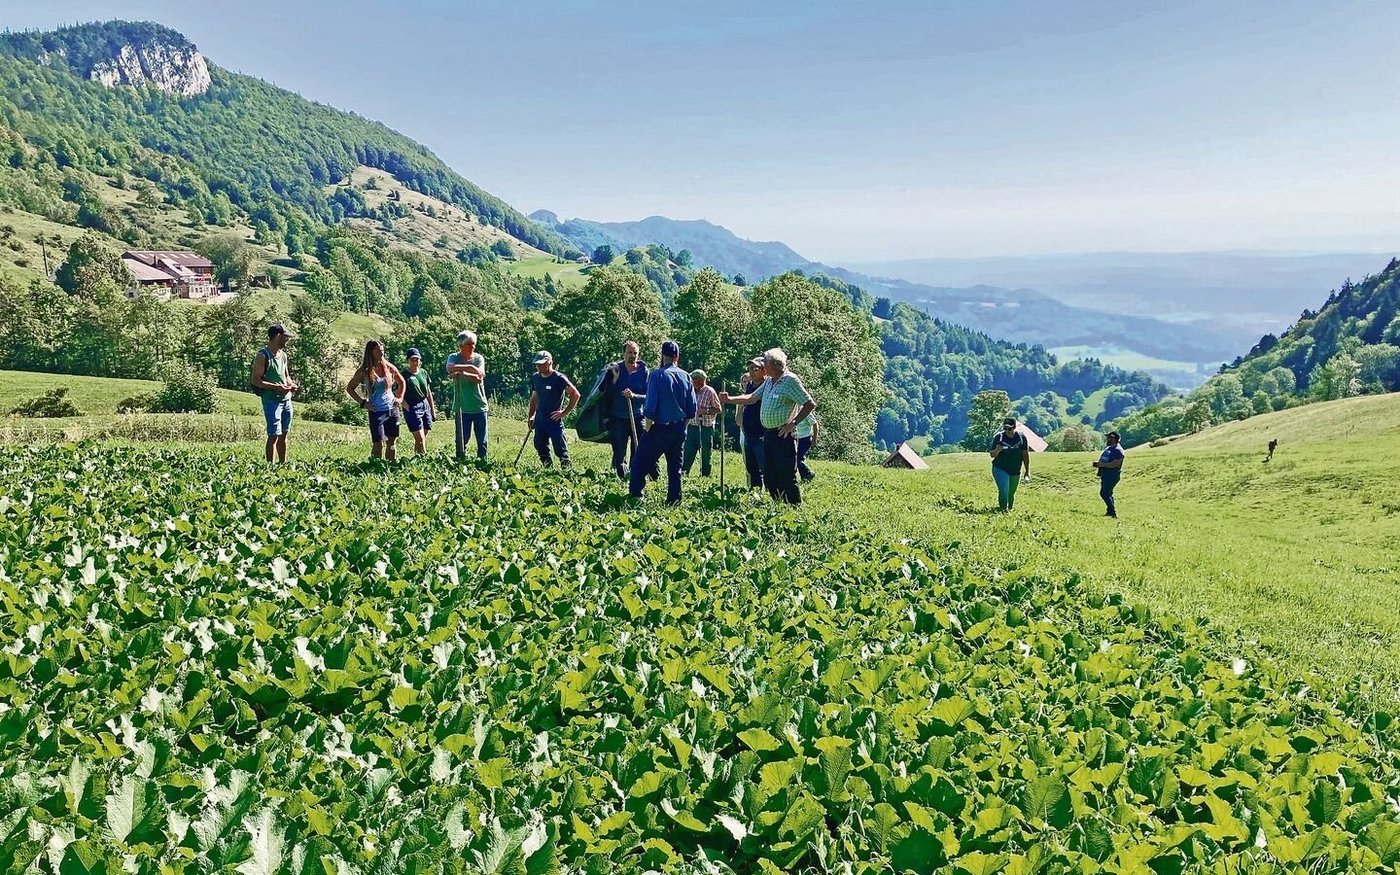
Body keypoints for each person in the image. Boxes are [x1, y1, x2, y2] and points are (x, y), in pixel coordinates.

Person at [721, 348, 815, 505]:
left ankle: (794, 506)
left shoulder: (790, 381)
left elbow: (809, 404)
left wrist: (792, 424)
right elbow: (751, 398)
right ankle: (778, 504)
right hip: (768, 434)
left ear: (774, 364)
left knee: (785, 473)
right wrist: (729, 398)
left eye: (765, 361)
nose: (763, 365)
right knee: (770, 474)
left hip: (783, 435)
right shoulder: (769, 382)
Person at [630, 340, 697, 504]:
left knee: (640, 463)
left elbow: (650, 407)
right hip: (679, 428)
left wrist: (647, 429)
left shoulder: (656, 375)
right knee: (675, 468)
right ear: (677, 356)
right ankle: (674, 500)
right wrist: (683, 427)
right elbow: (692, 408)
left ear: (663, 355)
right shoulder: (686, 376)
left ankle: (636, 496)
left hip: (659, 428)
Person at [347, 339, 406, 461]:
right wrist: (363, 403)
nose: (381, 351)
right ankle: (374, 468)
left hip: (392, 409)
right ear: (371, 351)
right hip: (376, 411)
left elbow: (402, 382)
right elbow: (350, 388)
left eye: (382, 349)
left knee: (391, 443)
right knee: (378, 444)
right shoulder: (364, 371)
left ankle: (391, 467)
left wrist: (399, 398)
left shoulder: (389, 367)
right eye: (378, 349)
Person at [251, 323, 299, 464]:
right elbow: (256, 380)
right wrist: (276, 387)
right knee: (273, 435)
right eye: (285, 337)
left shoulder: (283, 355)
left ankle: (282, 464)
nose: (287, 340)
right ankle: (270, 466)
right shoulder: (262, 356)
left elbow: (286, 375)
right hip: (271, 401)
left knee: (284, 434)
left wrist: (290, 384)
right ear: (278, 336)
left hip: (286, 400)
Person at [602, 340, 650, 480]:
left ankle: (634, 476)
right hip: (618, 417)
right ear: (623, 353)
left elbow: (649, 396)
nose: (632, 355)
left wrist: (634, 396)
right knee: (619, 450)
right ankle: (621, 476)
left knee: (638, 448)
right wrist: (614, 380)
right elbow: (604, 393)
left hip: (637, 416)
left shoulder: (644, 372)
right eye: (629, 352)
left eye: (635, 353)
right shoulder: (615, 370)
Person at [527, 350, 580, 468]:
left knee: (560, 448)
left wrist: (564, 412)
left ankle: (566, 471)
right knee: (540, 445)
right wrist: (531, 416)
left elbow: (575, 394)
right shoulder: (535, 378)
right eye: (537, 364)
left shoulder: (558, 378)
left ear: (549, 362)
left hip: (554, 420)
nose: (538, 366)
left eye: (541, 364)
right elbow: (534, 398)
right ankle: (548, 469)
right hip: (540, 419)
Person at [445, 330, 489, 460]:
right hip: (461, 407)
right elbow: (449, 368)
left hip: (479, 406)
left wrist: (462, 373)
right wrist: (471, 369)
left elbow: (479, 377)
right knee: (462, 439)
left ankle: (482, 464)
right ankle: (460, 461)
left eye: (474, 344)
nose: (473, 347)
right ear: (461, 345)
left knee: (482, 441)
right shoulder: (453, 356)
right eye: (469, 344)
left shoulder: (479, 358)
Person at [734, 357, 769, 489]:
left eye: (756, 369)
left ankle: (771, 492)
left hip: (762, 432)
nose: (752, 372)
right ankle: (755, 492)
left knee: (764, 465)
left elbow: (751, 400)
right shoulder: (750, 385)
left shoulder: (766, 385)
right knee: (751, 466)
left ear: (764, 370)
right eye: (750, 369)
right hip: (749, 432)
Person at [683, 369, 721, 477]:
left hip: (705, 427)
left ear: (700, 380)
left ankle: (705, 476)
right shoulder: (690, 391)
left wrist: (706, 411)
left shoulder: (710, 391)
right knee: (688, 452)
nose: (691, 381)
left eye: (693, 379)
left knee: (705, 453)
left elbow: (718, 409)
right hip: (691, 426)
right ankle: (684, 474)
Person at [989, 417, 1031, 512]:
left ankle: (1010, 510)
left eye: (1010, 428)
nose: (1007, 431)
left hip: (1015, 470)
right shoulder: (999, 437)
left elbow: (1025, 455)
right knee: (1004, 489)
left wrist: (1027, 471)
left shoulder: (1021, 438)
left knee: (1011, 493)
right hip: (1000, 468)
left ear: (1014, 427)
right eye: (1005, 428)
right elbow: (992, 454)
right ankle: (1003, 510)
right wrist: (997, 450)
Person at [401, 347, 437, 456]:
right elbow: (397, 392)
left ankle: (417, 457)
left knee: (423, 437)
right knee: (420, 438)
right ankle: (425, 459)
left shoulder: (424, 373)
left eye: (417, 359)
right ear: (408, 360)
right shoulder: (404, 375)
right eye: (413, 359)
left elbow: (428, 391)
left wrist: (432, 409)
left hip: (424, 404)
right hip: (412, 406)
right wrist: (405, 405)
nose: (415, 361)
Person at [1092, 431, 1125, 518]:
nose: (1107, 439)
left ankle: (1112, 512)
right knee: (1108, 493)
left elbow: (1116, 463)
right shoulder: (1109, 448)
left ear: (1114, 439)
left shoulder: (1118, 450)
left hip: (1112, 475)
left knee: (1104, 493)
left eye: (1109, 438)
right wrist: (1099, 463)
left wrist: (1102, 465)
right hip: (1105, 474)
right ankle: (1110, 511)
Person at [795, 412, 818, 482]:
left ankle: (808, 473)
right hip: (796, 439)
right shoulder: (792, 411)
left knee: (797, 458)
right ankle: (805, 477)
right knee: (797, 458)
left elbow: (815, 425)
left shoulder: (806, 412)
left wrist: (814, 439)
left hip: (806, 439)